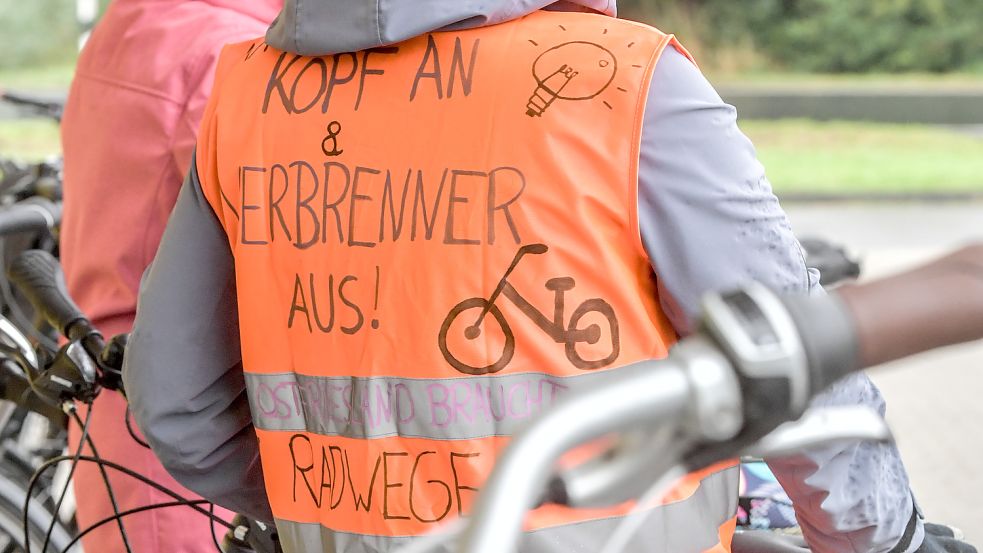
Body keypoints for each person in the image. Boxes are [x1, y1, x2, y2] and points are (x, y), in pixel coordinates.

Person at [122, 1, 973, 552]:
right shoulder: (629, 87)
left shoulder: (251, 95)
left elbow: (175, 406)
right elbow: (799, 371)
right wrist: (889, 539)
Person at [59, 0, 281, 551]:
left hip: (114, 418)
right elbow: (271, 251)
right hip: (189, 442)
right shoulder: (224, 55)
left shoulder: (133, 22)